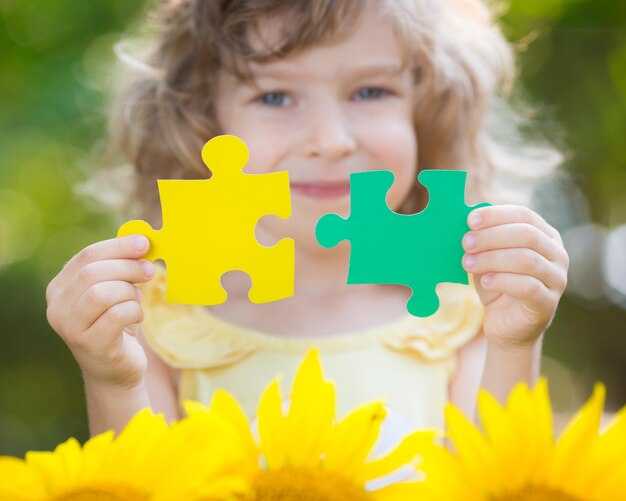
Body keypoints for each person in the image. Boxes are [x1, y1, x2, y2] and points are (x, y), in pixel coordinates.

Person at [45, 0, 569, 446]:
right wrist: (113, 380)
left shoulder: (465, 309)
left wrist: (515, 344)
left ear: (428, 111)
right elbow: (140, 488)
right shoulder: (156, 323)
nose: (331, 138)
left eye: (370, 92)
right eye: (275, 96)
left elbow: (497, 482)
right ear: (202, 122)